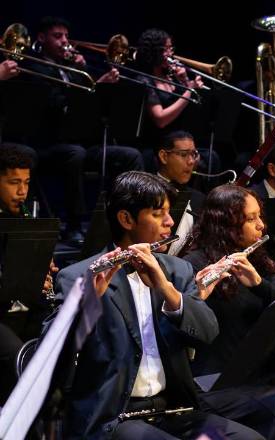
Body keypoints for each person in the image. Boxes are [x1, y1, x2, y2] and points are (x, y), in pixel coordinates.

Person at [47, 171, 263, 439]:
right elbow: (51, 356)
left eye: (169, 213)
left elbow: (208, 332)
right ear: (126, 219)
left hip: (174, 410)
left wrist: (166, 289)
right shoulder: (80, 277)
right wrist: (86, 305)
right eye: (158, 214)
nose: (170, 222)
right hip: (114, 417)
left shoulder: (176, 270)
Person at [181, 184, 275, 440]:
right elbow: (187, 329)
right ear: (225, 224)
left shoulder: (258, 259)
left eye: (259, 216)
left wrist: (259, 284)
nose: (261, 225)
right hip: (214, 381)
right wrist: (199, 294)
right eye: (251, 219)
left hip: (254, 375)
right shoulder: (194, 264)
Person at [22, 16, 144, 244]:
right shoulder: (33, 67)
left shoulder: (74, 68)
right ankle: (75, 224)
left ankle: (128, 220)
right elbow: (57, 106)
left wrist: (85, 72)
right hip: (48, 144)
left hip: (81, 142)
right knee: (75, 154)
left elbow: (92, 110)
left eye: (66, 36)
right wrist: (97, 86)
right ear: (41, 38)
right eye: (57, 36)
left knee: (131, 155)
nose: (65, 41)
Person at [0, 145, 57, 404]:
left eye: (26, 182)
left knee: (58, 346)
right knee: (20, 361)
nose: (22, 191)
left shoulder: (24, 218)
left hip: (19, 305)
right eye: (14, 183)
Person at [135, 28, 221, 174]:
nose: (171, 54)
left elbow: (193, 110)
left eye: (171, 48)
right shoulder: (145, 80)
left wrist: (185, 81)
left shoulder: (172, 77)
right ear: (154, 52)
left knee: (212, 157)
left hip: (180, 142)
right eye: (166, 49)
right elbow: (160, 119)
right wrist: (189, 90)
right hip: (160, 145)